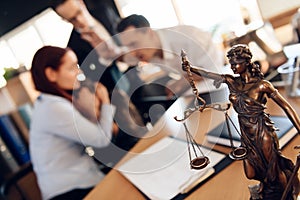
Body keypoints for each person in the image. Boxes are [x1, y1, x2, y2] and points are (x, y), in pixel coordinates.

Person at [181, 44, 300, 199]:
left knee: (272, 171)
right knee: (252, 172)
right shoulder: (232, 81)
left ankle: (282, 192)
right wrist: (190, 68)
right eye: (230, 64)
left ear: (246, 62)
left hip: (262, 131)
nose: (232, 67)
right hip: (245, 132)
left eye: (235, 63)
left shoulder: (262, 85)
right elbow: (210, 75)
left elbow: (287, 107)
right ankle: (267, 189)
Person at [29, 45, 118, 200]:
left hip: (79, 179)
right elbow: (101, 139)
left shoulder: (50, 102)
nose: (79, 73)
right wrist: (104, 101)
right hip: (70, 190)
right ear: (51, 74)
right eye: (71, 68)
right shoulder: (54, 108)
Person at [116, 14, 225, 98]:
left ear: (149, 33)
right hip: (193, 97)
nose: (132, 53)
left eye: (134, 44)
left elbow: (213, 72)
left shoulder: (190, 38)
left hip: (218, 90)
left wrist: (181, 83)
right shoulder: (145, 51)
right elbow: (123, 58)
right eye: (128, 47)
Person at [49, 0, 126, 93]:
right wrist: (104, 58)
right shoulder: (74, 47)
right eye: (72, 19)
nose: (80, 20)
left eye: (79, 12)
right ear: (64, 19)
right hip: (118, 89)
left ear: (81, 2)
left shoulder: (105, 11)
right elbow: (93, 78)